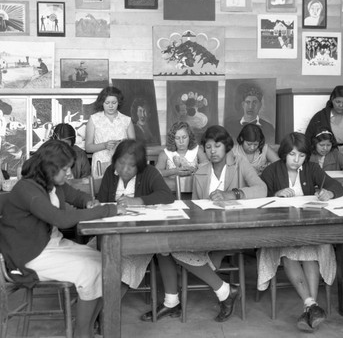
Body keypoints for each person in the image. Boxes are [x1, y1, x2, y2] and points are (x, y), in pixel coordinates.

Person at [142, 126, 267, 323]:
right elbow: (197, 207)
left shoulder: (239, 163)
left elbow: (262, 189)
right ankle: (175, 301)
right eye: (208, 147)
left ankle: (210, 293)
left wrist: (233, 194)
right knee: (162, 246)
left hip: (235, 229)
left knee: (168, 248)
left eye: (217, 146)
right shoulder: (201, 171)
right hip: (207, 230)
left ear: (227, 147)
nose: (213, 151)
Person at [0, 140, 118, 338]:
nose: (69, 172)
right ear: (49, 168)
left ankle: (86, 327)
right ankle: (82, 332)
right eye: (65, 168)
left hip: (49, 246)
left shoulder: (53, 184)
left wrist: (88, 201)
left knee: (107, 264)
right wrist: (106, 210)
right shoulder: (28, 189)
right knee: (90, 270)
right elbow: (60, 219)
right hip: (30, 254)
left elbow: (76, 195)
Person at [258, 132, 343, 332]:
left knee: (310, 253)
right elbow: (259, 195)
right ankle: (313, 306)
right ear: (284, 154)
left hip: (308, 229)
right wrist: (276, 194)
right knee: (288, 254)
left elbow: (336, 186)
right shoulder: (272, 170)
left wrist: (328, 192)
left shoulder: (312, 168)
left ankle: (309, 306)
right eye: (292, 155)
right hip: (281, 231)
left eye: (302, 156)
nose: (297, 160)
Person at [95, 139, 175, 291]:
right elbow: (102, 202)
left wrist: (137, 200)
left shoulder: (149, 172)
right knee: (96, 265)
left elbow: (166, 196)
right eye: (120, 163)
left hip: (140, 236)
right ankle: (98, 305)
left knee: (124, 267)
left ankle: (105, 309)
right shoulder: (110, 173)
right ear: (114, 160)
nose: (124, 169)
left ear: (139, 165)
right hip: (111, 234)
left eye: (131, 166)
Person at [85, 87, 135, 178]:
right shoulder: (94, 119)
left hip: (122, 164)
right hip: (100, 164)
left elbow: (134, 147)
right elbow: (88, 147)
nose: (110, 106)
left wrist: (123, 145)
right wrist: (104, 145)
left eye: (114, 103)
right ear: (102, 103)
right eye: (107, 103)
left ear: (118, 102)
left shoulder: (126, 120)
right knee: (102, 189)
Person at [304, 85, 343, 155]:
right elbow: (308, 139)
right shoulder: (320, 117)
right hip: (326, 157)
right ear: (332, 99)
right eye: (337, 102)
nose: (341, 105)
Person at [155, 121, 207, 193]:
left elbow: (207, 170)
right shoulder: (165, 154)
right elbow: (156, 174)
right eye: (177, 138)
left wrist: (194, 170)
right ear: (172, 139)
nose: (181, 141)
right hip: (171, 192)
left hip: (194, 192)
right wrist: (175, 171)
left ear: (190, 137)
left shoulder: (198, 151)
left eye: (184, 137)